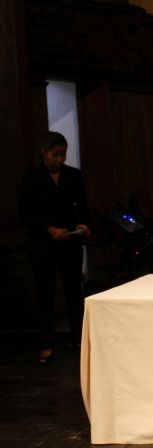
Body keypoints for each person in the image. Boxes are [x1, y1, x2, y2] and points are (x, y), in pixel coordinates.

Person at [18, 132, 90, 363]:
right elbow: (26, 214)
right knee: (45, 293)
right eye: (55, 155)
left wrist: (82, 224)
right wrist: (49, 229)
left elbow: (83, 205)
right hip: (43, 244)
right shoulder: (31, 177)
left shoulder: (73, 175)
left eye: (63, 155)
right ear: (44, 153)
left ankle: (79, 340)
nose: (60, 159)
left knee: (74, 292)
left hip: (69, 241)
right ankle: (46, 344)